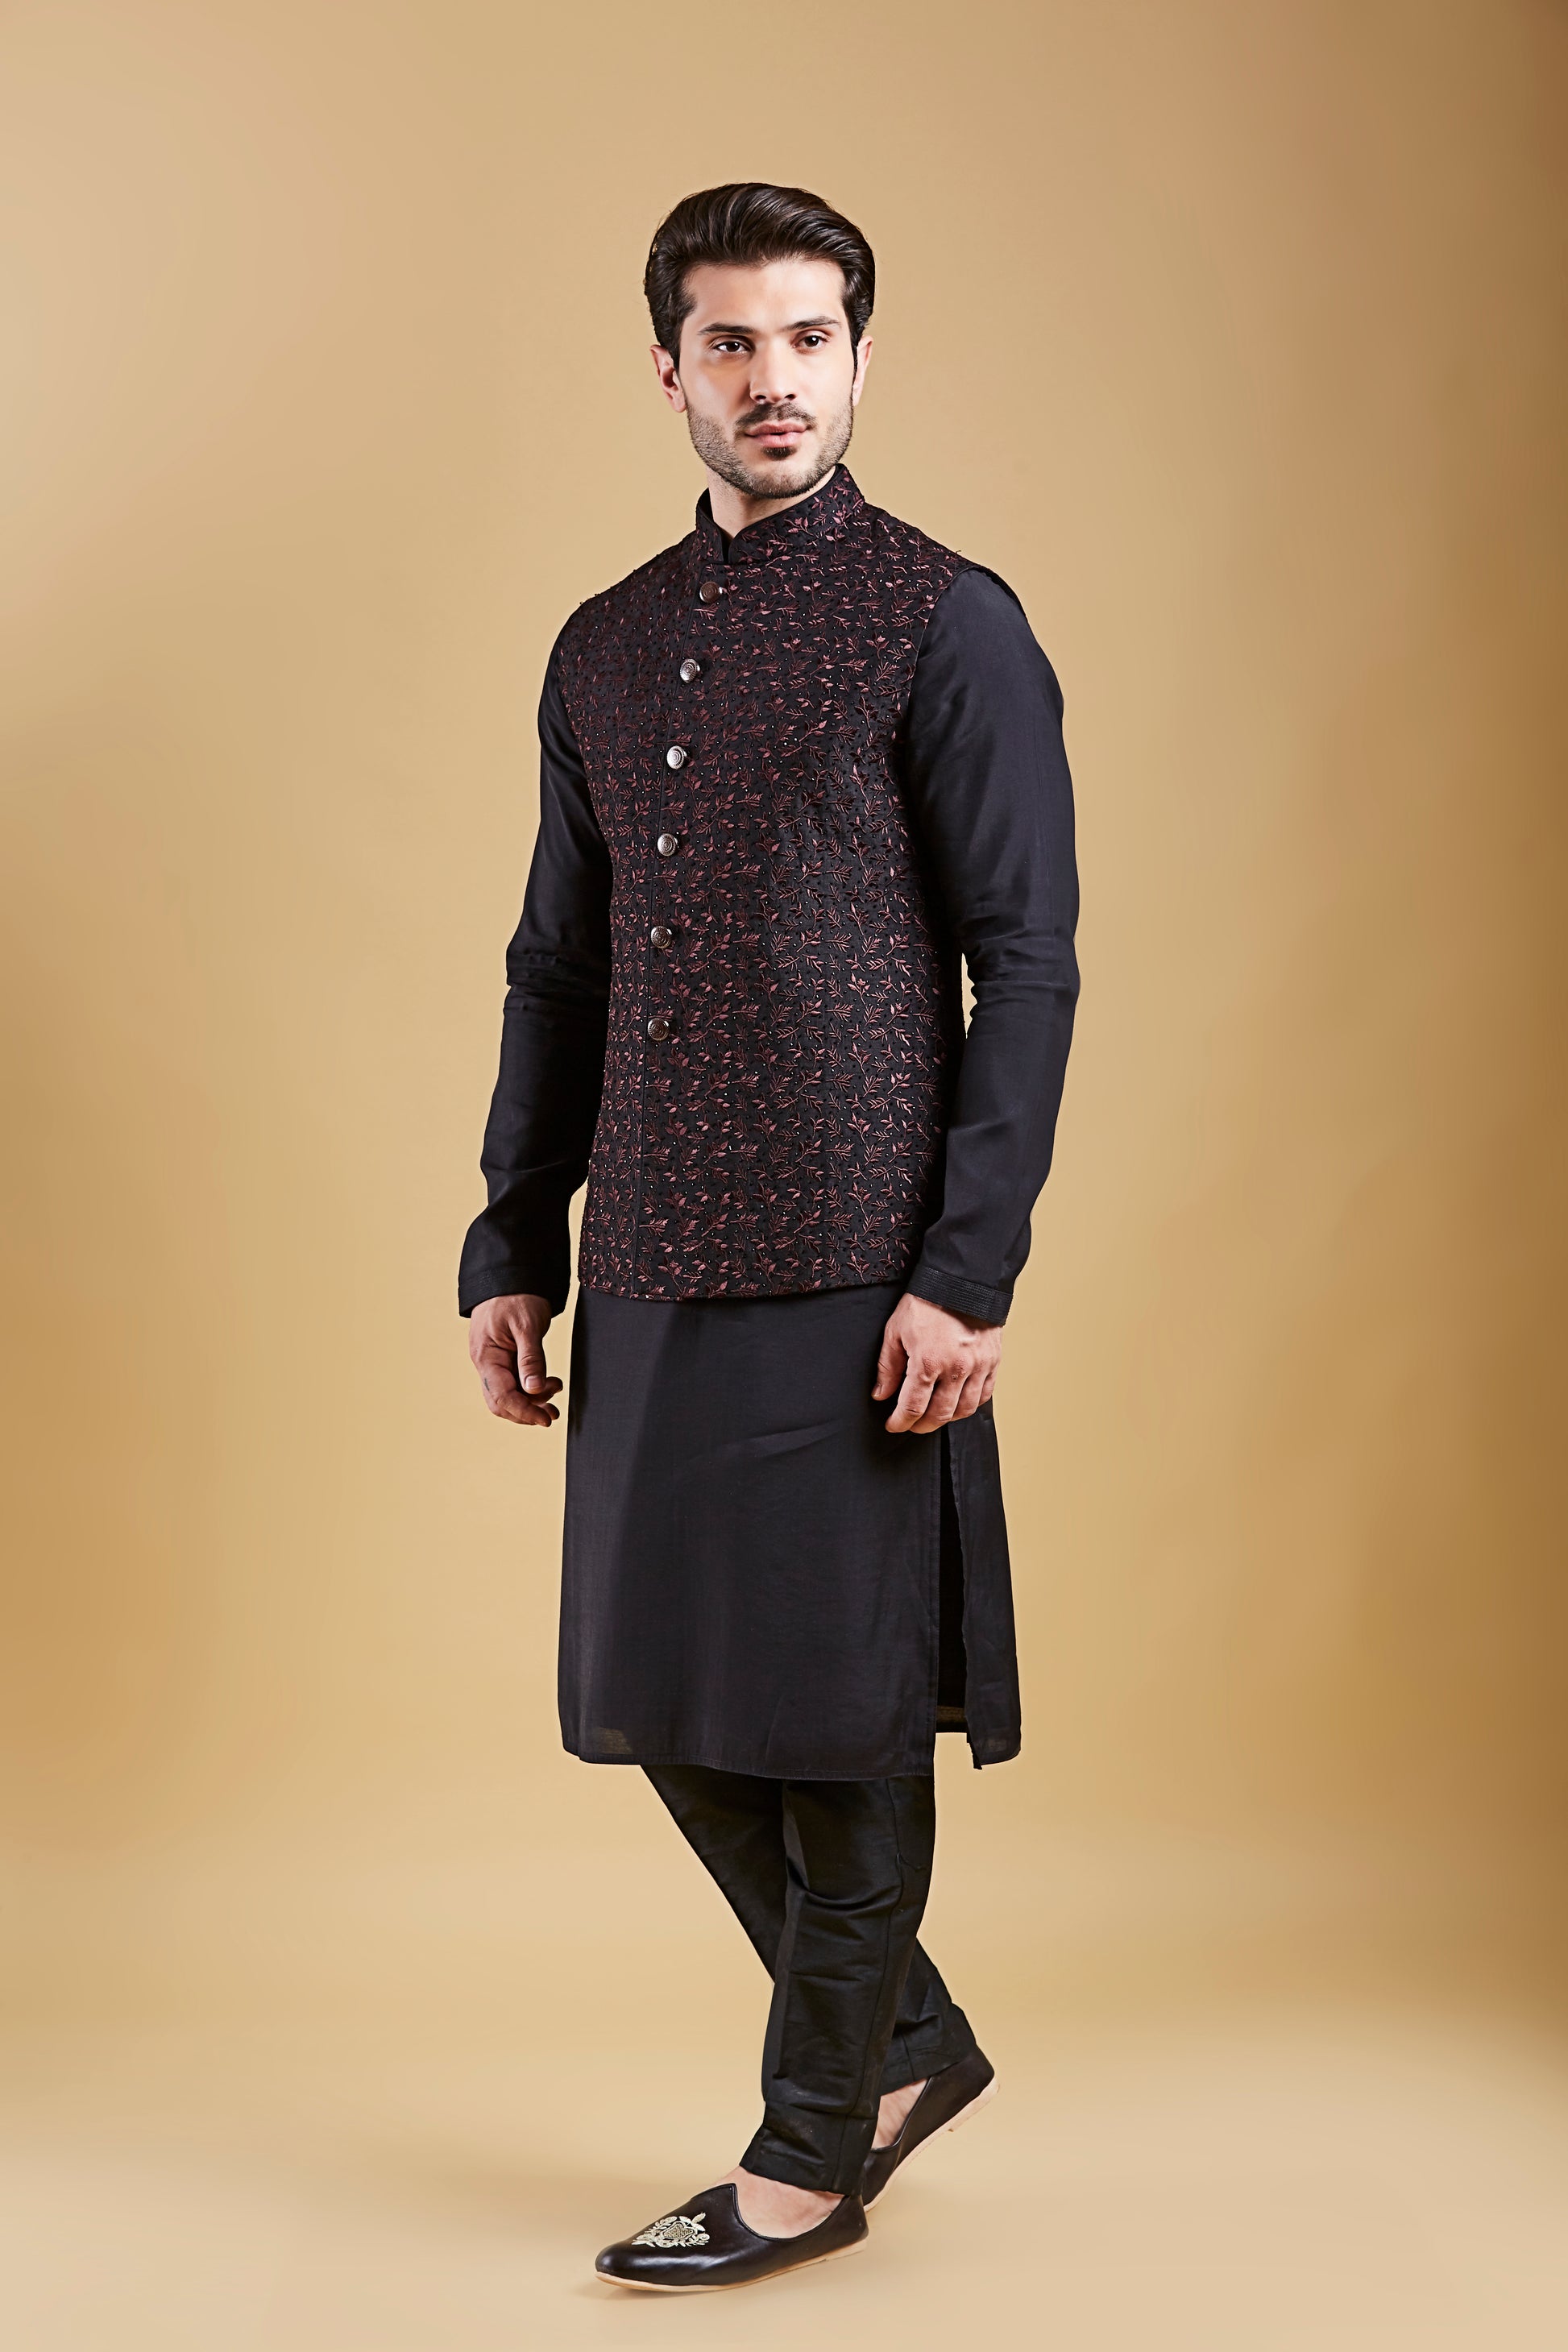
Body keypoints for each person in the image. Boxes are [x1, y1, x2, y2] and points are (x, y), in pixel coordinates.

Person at [458, 181, 1079, 2292]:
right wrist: (510, 1238)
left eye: (809, 337)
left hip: (858, 1259)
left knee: (836, 1711)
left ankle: (811, 2149)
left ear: (859, 358)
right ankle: (897, 2047)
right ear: (671, 370)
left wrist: (967, 1268)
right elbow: (559, 966)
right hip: (648, 1245)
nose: (774, 377)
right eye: (732, 340)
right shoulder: (602, 641)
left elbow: (1027, 958)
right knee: (662, 1697)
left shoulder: (944, 619)